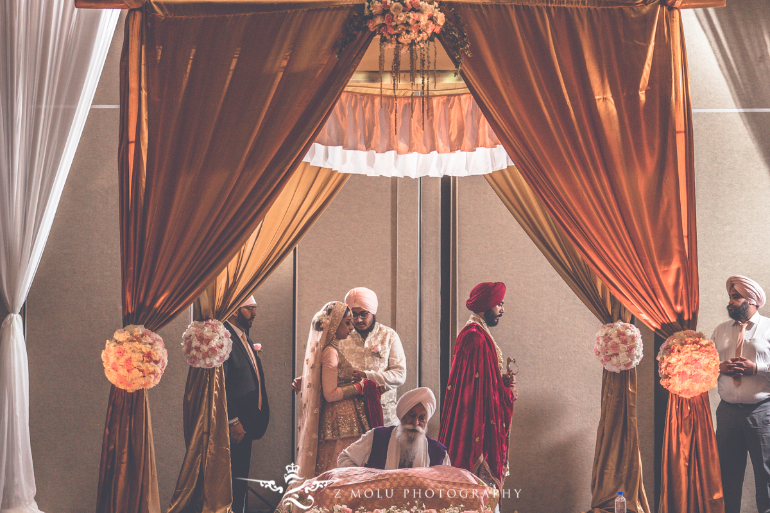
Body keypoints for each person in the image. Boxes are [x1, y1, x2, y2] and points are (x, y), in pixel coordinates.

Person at [438, 282, 516, 490]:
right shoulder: (475, 336)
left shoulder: (477, 332)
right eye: (499, 304)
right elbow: (478, 392)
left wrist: (502, 383)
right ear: (487, 304)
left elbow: (484, 381)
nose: (502, 310)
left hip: (476, 418)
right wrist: (506, 393)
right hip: (476, 423)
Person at [293, 287, 406, 426]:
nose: (358, 320)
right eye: (354, 315)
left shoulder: (389, 336)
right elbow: (332, 373)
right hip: (350, 418)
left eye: (364, 314)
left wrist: (366, 376)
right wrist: (308, 379)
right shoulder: (341, 336)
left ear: (373, 312)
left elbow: (400, 375)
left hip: (384, 414)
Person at [713, 275, 770, 513]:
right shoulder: (721, 330)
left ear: (753, 300)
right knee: (726, 476)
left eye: (736, 297)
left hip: (761, 414)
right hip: (726, 413)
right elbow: (702, 365)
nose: (730, 302)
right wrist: (719, 367)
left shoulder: (768, 327)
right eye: (730, 297)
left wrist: (756, 368)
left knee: (766, 477)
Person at [296, 301, 372, 479]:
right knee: (340, 473)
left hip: (344, 418)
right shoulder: (330, 351)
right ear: (333, 324)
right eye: (347, 322)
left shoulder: (334, 347)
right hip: (340, 422)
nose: (351, 327)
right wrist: (360, 387)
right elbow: (330, 394)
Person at [223, 295, 269, 513]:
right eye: (250, 308)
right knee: (231, 480)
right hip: (236, 425)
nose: (255, 313)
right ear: (235, 310)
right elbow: (222, 384)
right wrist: (233, 420)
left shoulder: (245, 338)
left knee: (240, 479)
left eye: (255, 308)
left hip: (248, 423)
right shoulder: (224, 337)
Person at [338, 387, 450, 469]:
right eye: (411, 415)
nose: (416, 423)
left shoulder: (439, 452)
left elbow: (446, 486)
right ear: (402, 416)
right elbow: (344, 459)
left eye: (421, 418)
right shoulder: (377, 436)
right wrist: (364, 478)